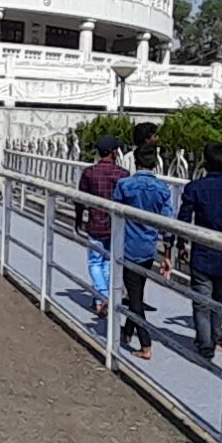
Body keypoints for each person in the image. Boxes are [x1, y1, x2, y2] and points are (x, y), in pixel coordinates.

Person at [175, 142, 222, 363]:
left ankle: (205, 342)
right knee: (220, 297)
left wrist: (181, 245)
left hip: (202, 250)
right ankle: (217, 335)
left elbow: (184, 219)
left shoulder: (195, 187)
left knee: (201, 298)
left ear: (205, 161)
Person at [112, 142, 176, 359]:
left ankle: (145, 343)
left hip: (128, 245)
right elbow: (168, 222)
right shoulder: (162, 189)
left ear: (135, 162)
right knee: (137, 289)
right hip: (149, 248)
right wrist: (168, 252)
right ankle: (127, 332)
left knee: (135, 296)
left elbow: (116, 216)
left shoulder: (124, 185)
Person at [77, 135, 128, 332]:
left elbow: (80, 198)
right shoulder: (123, 174)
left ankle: (102, 297)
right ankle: (107, 297)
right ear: (115, 152)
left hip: (95, 224)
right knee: (109, 261)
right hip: (115, 226)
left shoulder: (89, 173)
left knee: (95, 262)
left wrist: (78, 220)